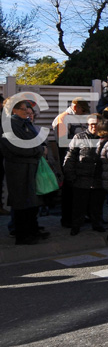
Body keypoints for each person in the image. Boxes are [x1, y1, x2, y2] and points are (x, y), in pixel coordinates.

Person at [1, 100, 48, 245]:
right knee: (21, 202)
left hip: (31, 166)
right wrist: (40, 151)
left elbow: (35, 141)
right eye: (22, 109)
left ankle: (32, 231)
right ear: (13, 110)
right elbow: (18, 147)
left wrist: (40, 149)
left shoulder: (26, 123)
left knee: (32, 202)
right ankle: (23, 236)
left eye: (27, 109)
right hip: (18, 169)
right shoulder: (8, 125)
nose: (27, 111)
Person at [63, 114, 107, 235]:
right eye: (92, 124)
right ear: (88, 125)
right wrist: (70, 176)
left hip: (99, 179)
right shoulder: (79, 137)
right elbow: (70, 156)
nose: (94, 126)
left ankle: (97, 224)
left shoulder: (106, 139)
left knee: (97, 205)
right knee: (78, 206)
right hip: (81, 179)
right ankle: (76, 226)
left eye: (97, 124)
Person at [52, 97, 91, 228]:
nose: (84, 113)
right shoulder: (63, 118)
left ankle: (78, 216)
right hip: (69, 158)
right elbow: (63, 142)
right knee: (69, 190)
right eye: (83, 110)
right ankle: (67, 219)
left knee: (79, 190)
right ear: (75, 107)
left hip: (80, 158)